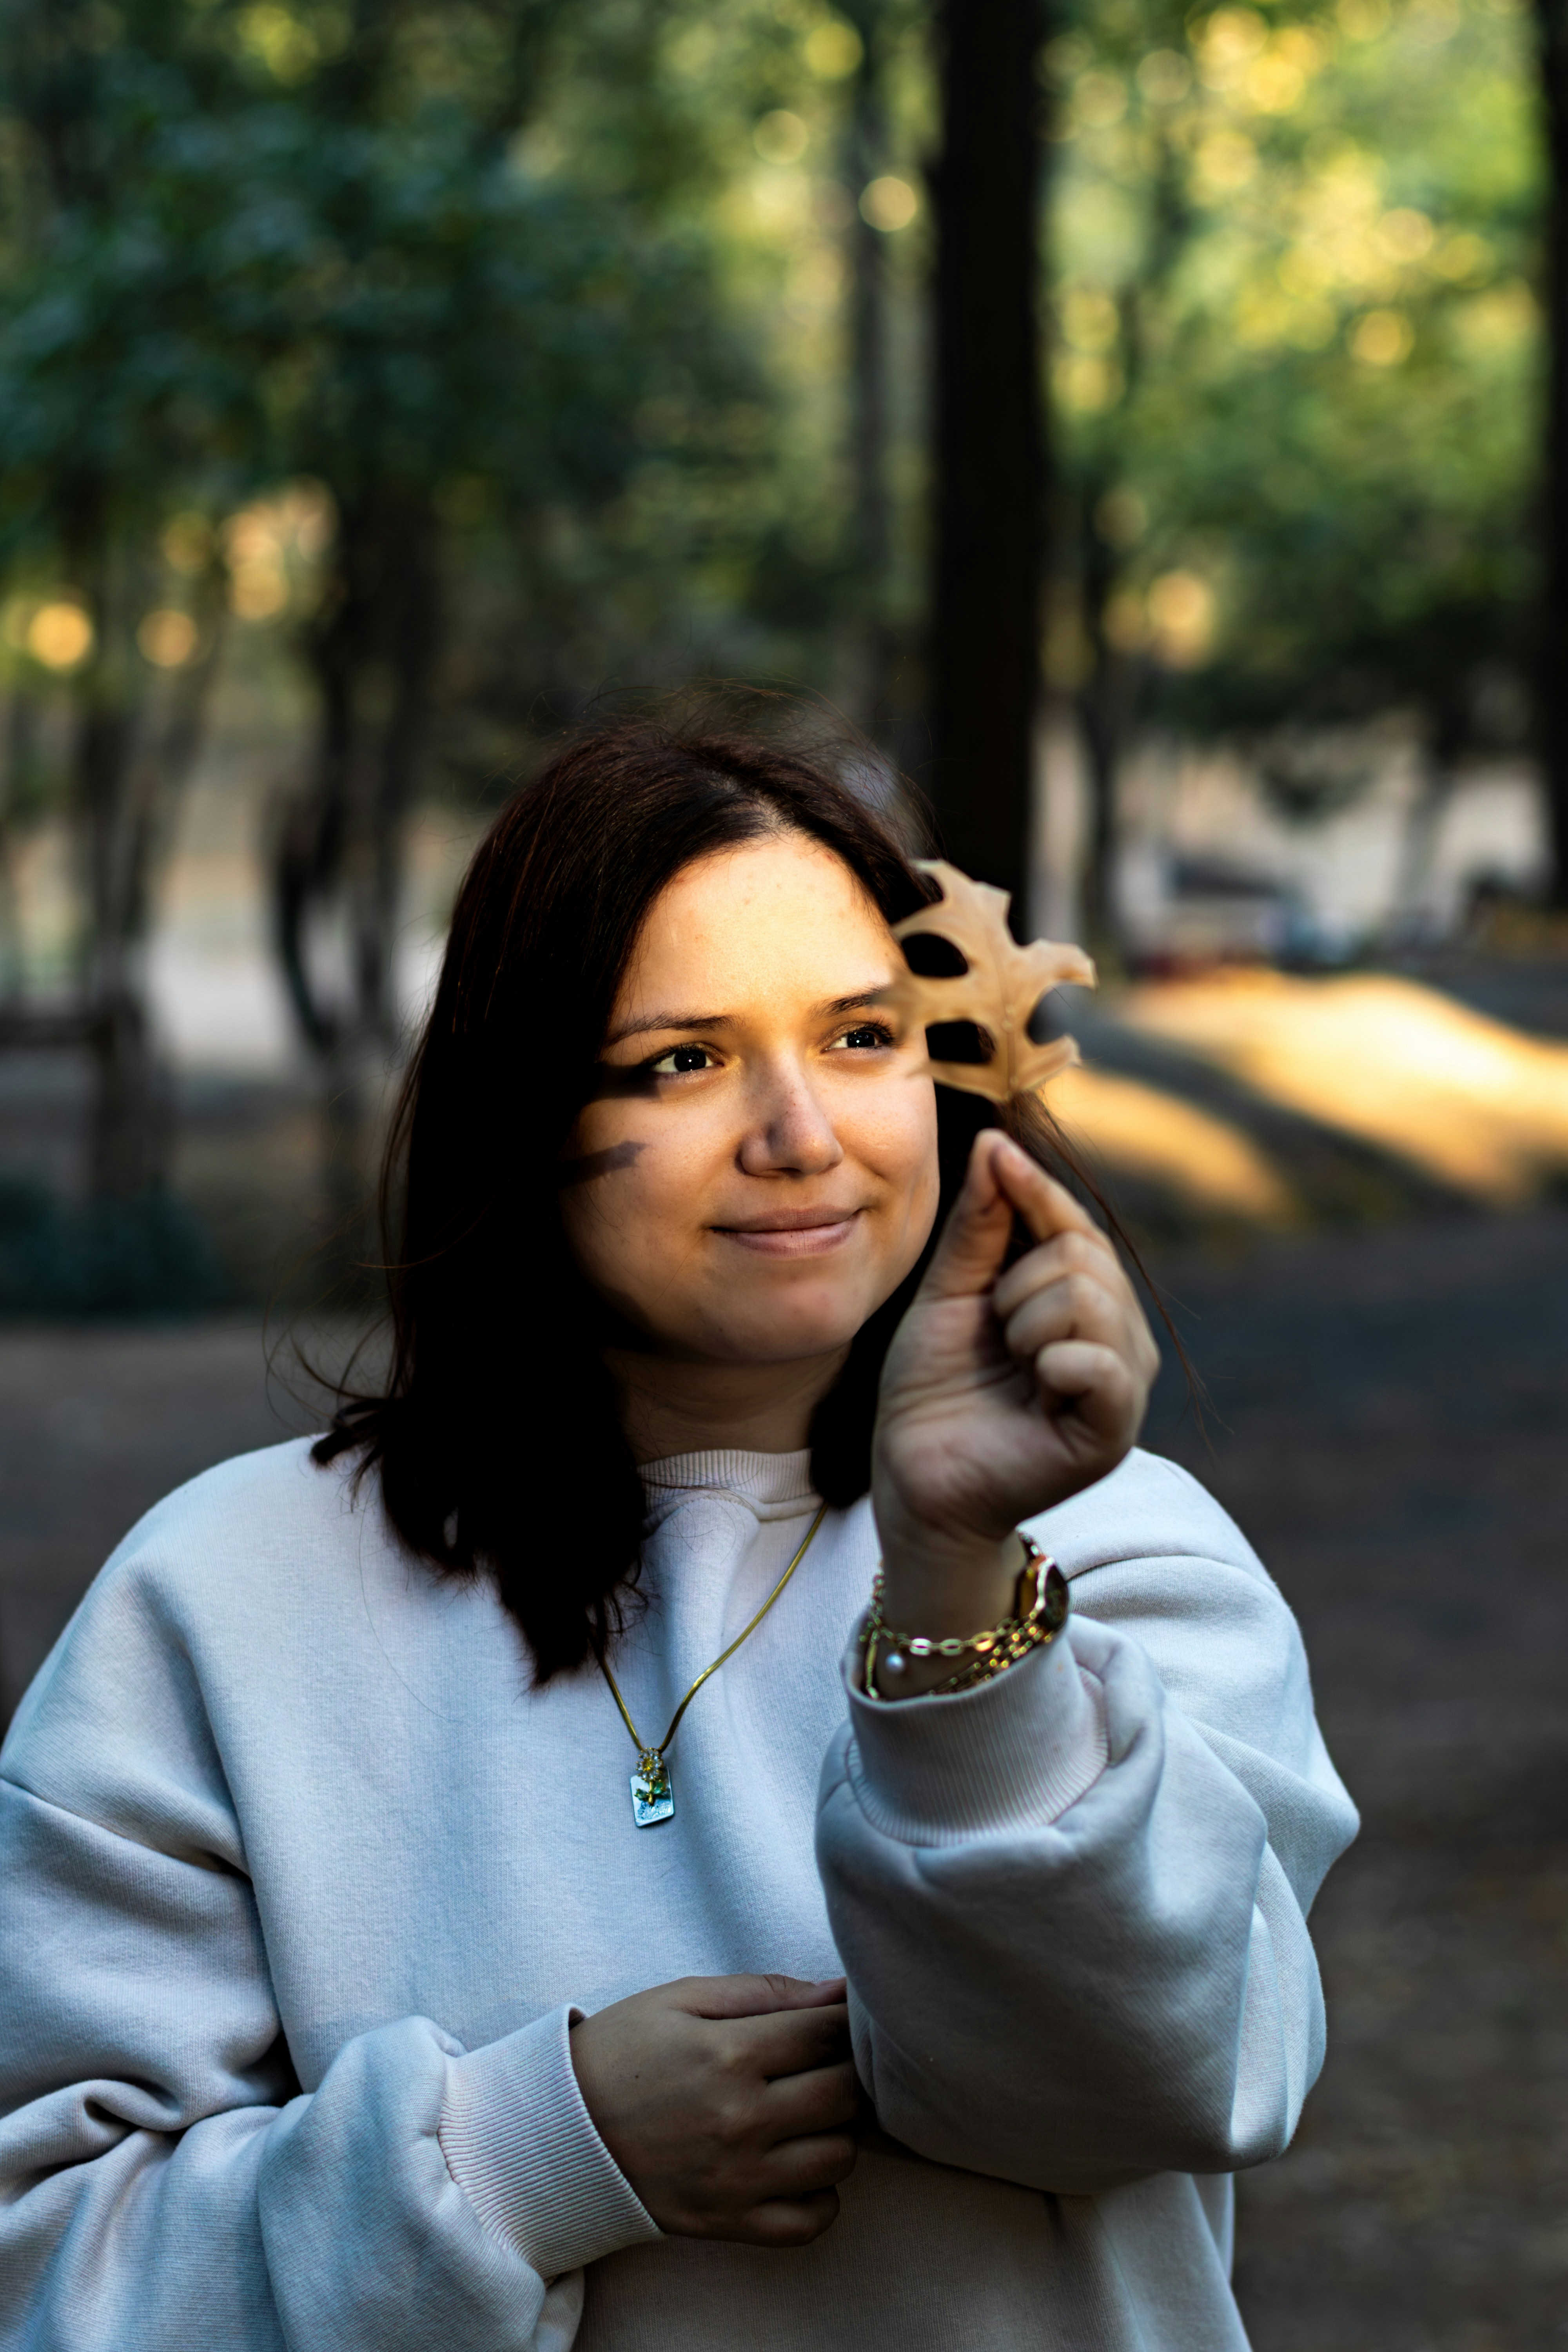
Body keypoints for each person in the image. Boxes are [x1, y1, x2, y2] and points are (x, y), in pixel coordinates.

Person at [0, 709, 1357, 2352]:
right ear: (523, 1122)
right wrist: (522, 2156)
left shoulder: (1133, 1554)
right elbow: (55, 2271)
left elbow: (1145, 2081)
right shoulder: (221, 1605)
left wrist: (953, 1584)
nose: (799, 1135)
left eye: (861, 1038)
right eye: (682, 1061)